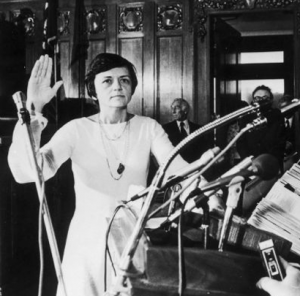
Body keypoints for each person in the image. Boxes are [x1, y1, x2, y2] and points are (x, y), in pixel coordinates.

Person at [8, 53, 189, 296]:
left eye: (124, 80)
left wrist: (212, 186)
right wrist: (33, 109)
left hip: (131, 238)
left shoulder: (148, 127)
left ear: (133, 87)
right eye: (107, 81)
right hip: (86, 241)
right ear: (92, 89)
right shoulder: (76, 129)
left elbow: (178, 169)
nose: (117, 86)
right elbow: (31, 171)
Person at [237, 85, 286, 172]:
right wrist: (248, 160)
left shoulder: (277, 115)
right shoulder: (246, 117)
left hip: (271, 162)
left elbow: (281, 141)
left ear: (270, 100)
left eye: (265, 97)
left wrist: (270, 160)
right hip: (250, 164)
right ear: (253, 100)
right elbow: (241, 142)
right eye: (258, 98)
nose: (261, 100)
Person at [162, 98, 213, 164]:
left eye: (176, 108)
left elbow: (204, 151)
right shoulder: (165, 129)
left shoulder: (199, 129)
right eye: (172, 108)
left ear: (185, 110)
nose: (173, 111)